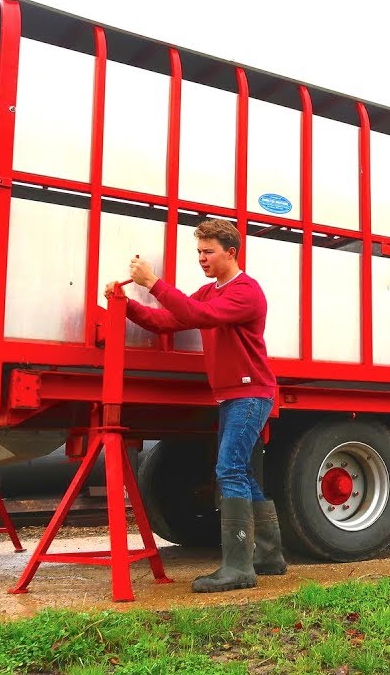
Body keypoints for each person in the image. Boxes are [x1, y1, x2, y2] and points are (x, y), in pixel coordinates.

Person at [104, 217, 282, 593]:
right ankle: (268, 556)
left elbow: (202, 317)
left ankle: (238, 568)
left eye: (208, 252)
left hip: (251, 392)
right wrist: (126, 306)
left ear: (230, 252)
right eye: (198, 252)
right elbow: (170, 319)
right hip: (233, 394)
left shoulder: (246, 291)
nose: (201, 258)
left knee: (229, 468)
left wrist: (153, 282)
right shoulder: (208, 291)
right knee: (241, 471)